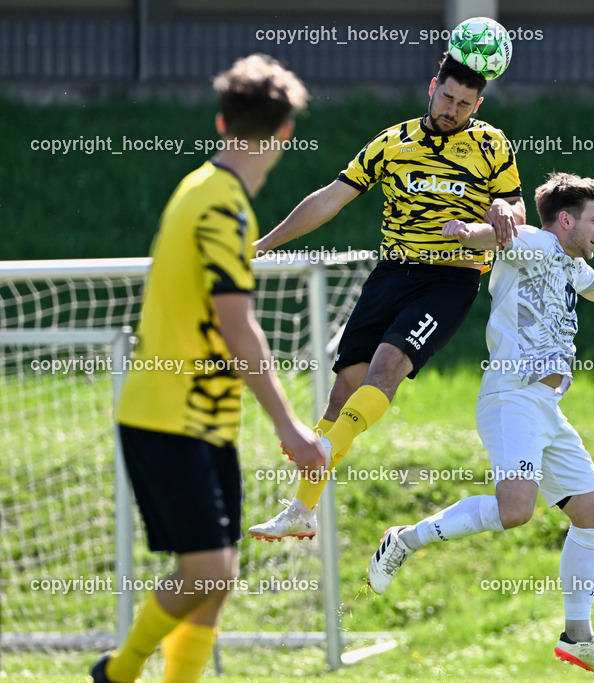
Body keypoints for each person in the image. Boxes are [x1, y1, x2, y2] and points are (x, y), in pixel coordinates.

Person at [365, 172, 594, 679]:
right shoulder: (531, 241)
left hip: (548, 408)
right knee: (517, 512)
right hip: (511, 398)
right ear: (564, 219)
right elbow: (499, 233)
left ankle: (578, 636)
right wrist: (470, 235)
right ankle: (404, 539)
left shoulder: (570, 264)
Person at [91, 54, 324, 683]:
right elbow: (235, 322)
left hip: (201, 420)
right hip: (169, 417)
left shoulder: (201, 188)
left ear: (223, 122)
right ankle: (119, 671)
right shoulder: (223, 206)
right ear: (284, 133)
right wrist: (289, 425)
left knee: (214, 580)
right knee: (211, 571)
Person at [248, 53, 525, 541]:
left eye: (465, 104)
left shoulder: (491, 145)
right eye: (447, 97)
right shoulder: (392, 143)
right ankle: (301, 510)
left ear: (477, 105)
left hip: (449, 279)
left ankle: (330, 447)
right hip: (391, 274)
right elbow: (330, 198)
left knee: (387, 366)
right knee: (343, 391)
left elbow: (515, 213)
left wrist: (500, 209)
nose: (452, 110)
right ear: (432, 86)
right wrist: (264, 244)